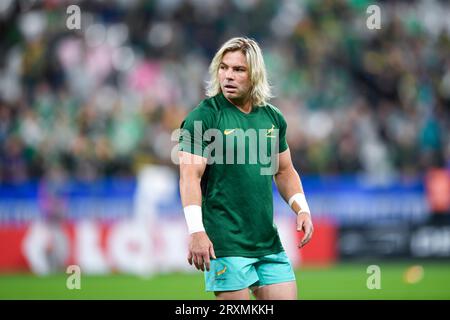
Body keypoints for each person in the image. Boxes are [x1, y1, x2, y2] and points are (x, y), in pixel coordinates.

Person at [178, 37, 313, 300]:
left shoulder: (273, 118)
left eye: (238, 70)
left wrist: (302, 209)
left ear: (255, 74)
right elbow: (189, 177)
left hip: (268, 243)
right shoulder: (204, 116)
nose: (228, 75)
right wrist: (196, 230)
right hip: (226, 245)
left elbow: (284, 171)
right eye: (224, 67)